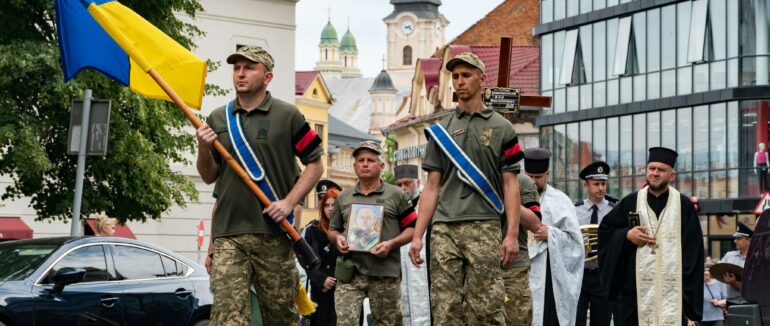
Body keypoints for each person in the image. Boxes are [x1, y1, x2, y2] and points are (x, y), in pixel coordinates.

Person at [195, 45, 324, 325]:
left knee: (280, 316)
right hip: (229, 234)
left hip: (275, 233)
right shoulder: (218, 118)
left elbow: (315, 165)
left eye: (249, 68)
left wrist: (289, 203)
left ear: (267, 77)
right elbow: (209, 177)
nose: (240, 74)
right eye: (236, 68)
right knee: (227, 317)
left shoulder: (288, 115)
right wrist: (203, 149)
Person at [408, 52, 523, 325]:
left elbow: (511, 184)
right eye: (456, 76)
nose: (459, 82)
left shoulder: (502, 127)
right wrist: (417, 235)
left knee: (486, 307)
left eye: (466, 75)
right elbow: (431, 187)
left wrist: (512, 234)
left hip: (484, 225)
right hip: (444, 227)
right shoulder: (442, 129)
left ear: (481, 79)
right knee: (445, 308)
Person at [599, 147, 704, 325]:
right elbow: (605, 232)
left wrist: (690, 304)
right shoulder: (630, 201)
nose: (655, 173)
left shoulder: (684, 205)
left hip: (673, 296)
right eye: (651, 168)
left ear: (672, 175)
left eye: (661, 170)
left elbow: (694, 254)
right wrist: (626, 235)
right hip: (635, 296)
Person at [328, 141, 416, 326]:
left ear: (381, 166)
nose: (365, 164)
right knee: (344, 323)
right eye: (360, 160)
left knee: (388, 323)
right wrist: (337, 238)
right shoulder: (344, 196)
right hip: (350, 273)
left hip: (384, 273)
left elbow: (412, 229)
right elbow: (332, 229)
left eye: (370, 160)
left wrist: (391, 244)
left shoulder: (396, 194)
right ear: (355, 166)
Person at [523, 148, 584, 326]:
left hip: (549, 276)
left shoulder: (560, 200)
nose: (533, 182)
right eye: (529, 176)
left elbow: (576, 244)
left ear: (547, 174)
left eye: (538, 177)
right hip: (520, 272)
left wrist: (551, 234)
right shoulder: (514, 198)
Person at [575, 161, 615, 326]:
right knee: (576, 320)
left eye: (603, 183)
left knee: (602, 321)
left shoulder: (614, 210)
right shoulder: (574, 210)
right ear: (586, 185)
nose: (600, 188)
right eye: (596, 184)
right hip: (580, 276)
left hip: (603, 277)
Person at [503, 173, 545, 326]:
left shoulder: (520, 181)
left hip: (512, 268)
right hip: (477, 267)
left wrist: (505, 196)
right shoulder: (467, 177)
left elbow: (535, 224)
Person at [394, 164, 431, 326]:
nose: (403, 188)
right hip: (401, 273)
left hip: (426, 271)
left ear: (418, 182)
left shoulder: (428, 206)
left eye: (407, 183)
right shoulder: (393, 208)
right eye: (399, 184)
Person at [303, 187, 341, 326]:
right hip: (320, 291)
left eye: (334, 204)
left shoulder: (348, 229)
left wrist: (333, 279)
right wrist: (321, 280)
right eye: (327, 205)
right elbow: (306, 260)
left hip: (342, 290)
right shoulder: (312, 230)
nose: (330, 208)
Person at [721, 222, 753, 306]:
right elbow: (718, 271)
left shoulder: (757, 259)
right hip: (731, 302)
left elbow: (753, 288)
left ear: (749, 240)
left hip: (749, 303)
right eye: (735, 238)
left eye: (739, 238)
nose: (735, 241)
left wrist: (734, 282)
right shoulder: (729, 255)